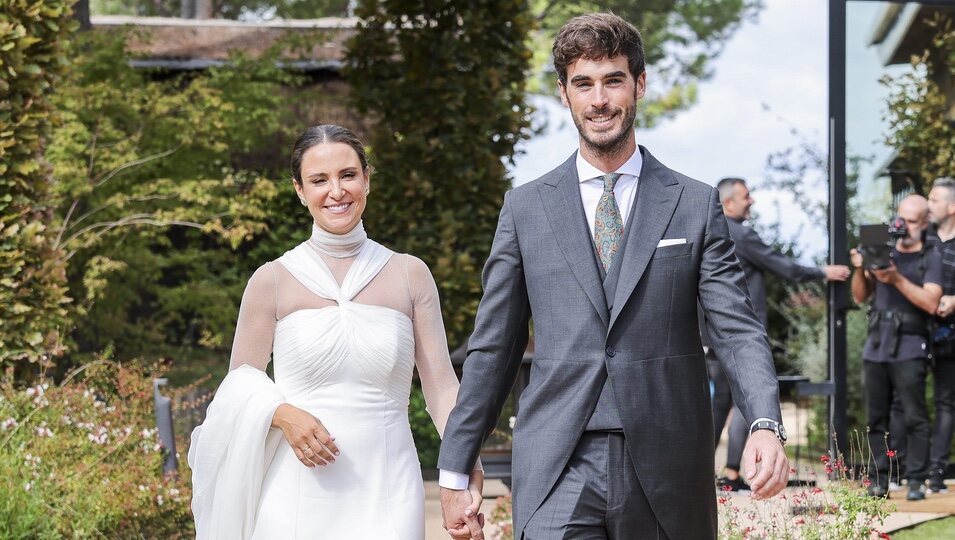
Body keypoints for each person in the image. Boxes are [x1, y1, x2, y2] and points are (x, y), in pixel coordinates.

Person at [437, 13, 789, 540]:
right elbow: (493, 347)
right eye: (583, 83)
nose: (598, 99)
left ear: (639, 84)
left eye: (612, 80)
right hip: (557, 465)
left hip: (668, 464)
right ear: (565, 94)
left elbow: (737, 329)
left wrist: (763, 420)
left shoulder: (694, 204)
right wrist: (455, 465)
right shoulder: (526, 208)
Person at [188, 125, 483, 539]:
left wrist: (466, 467)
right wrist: (283, 415)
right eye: (319, 180)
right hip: (295, 493)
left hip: (389, 488)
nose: (336, 191)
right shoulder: (271, 280)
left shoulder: (410, 275)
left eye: (347, 175)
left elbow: (442, 390)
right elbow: (238, 387)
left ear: (367, 178)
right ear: (299, 190)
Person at [707, 177, 850, 492]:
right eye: (746, 196)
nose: (752, 201)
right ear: (728, 202)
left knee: (721, 405)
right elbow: (782, 266)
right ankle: (732, 472)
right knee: (750, 398)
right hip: (743, 335)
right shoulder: (740, 234)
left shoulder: (710, 231)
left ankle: (710, 472)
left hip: (716, 335)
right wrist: (823, 272)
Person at [850, 194, 941, 501]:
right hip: (877, 344)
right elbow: (860, 297)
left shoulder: (931, 255)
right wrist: (862, 268)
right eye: (901, 219)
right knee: (875, 418)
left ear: (925, 223)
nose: (904, 227)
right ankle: (879, 480)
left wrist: (896, 279)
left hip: (911, 345)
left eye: (913, 221)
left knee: (915, 417)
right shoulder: (883, 251)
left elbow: (930, 301)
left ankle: (916, 479)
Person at [927, 177, 955, 493]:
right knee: (907, 403)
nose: (928, 204)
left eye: (934, 200)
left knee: (947, 403)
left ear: (951, 207)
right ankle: (902, 468)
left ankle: (937, 472)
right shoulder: (923, 241)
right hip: (919, 334)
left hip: (951, 338)